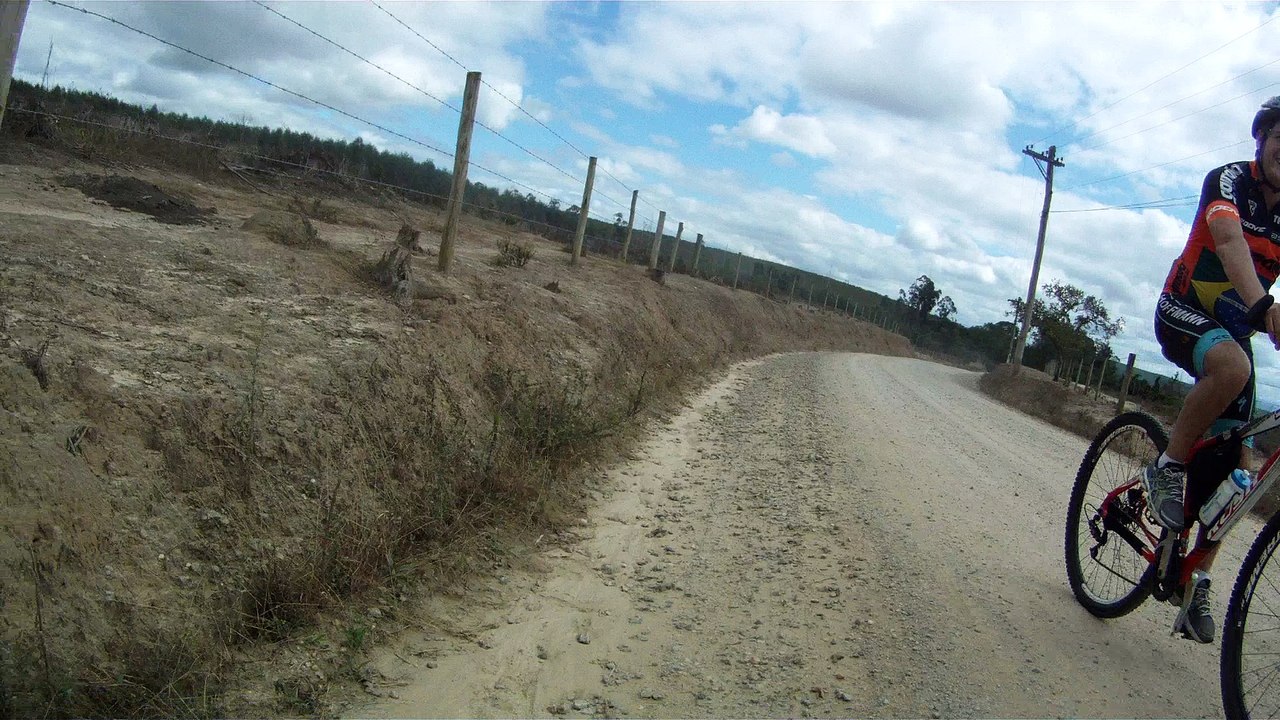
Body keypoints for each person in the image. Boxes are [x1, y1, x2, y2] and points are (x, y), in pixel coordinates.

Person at [1146, 96, 1280, 644]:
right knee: (1232, 366)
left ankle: (1194, 576)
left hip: (1233, 338)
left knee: (1237, 476)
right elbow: (1228, 244)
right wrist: (1263, 310)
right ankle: (1169, 464)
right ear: (1262, 139)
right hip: (1182, 313)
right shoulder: (1228, 181)